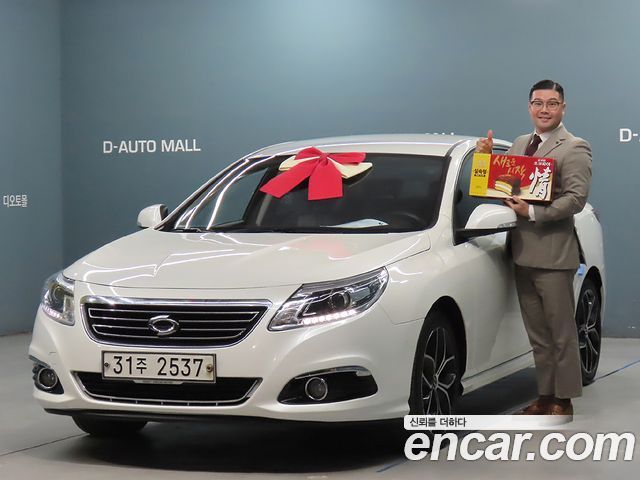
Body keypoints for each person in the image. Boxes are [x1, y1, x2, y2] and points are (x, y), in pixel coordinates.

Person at [476, 79, 592, 419]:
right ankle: (545, 395)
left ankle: (564, 400)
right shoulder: (520, 143)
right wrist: (484, 159)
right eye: (538, 103)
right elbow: (498, 185)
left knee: (560, 333)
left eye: (552, 103)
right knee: (538, 335)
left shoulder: (574, 147)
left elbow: (575, 199)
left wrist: (533, 212)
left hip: (554, 254)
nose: (544, 109)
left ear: (563, 108)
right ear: (529, 107)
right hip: (521, 252)